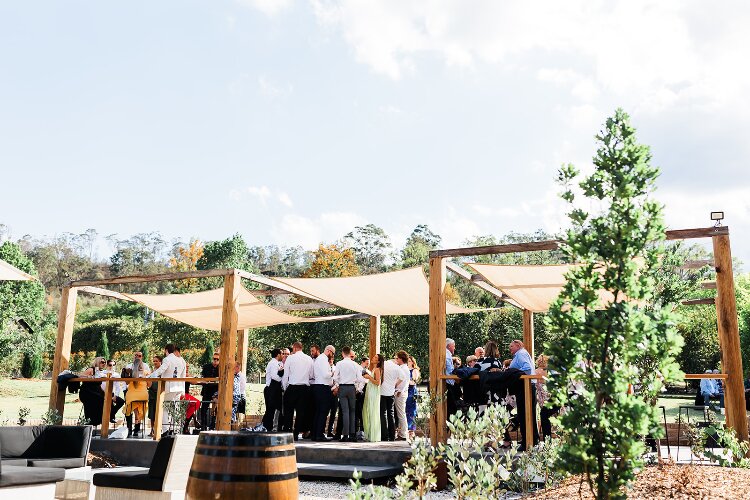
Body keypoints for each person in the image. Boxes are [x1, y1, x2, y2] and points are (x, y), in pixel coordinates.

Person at [148, 344, 184, 432]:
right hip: (178, 386)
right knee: (176, 408)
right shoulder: (181, 360)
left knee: (164, 407)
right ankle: (176, 429)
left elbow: (161, 370)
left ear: (166, 350)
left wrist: (150, 376)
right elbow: (183, 374)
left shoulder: (167, 359)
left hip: (170, 387)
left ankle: (165, 430)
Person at [282, 342, 314, 440]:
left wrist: (284, 387)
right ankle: (296, 433)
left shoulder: (290, 358)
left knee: (288, 411)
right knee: (301, 412)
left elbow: (285, 374)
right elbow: (312, 375)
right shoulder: (309, 359)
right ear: (301, 348)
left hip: (292, 387)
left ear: (294, 348)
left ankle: (288, 431)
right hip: (304, 388)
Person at [334, 346, 362, 442]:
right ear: (350, 353)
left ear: (342, 353)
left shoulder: (339, 363)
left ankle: (345, 435)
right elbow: (359, 379)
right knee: (352, 411)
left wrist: (339, 383)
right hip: (352, 388)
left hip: (342, 387)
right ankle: (352, 435)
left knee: (345, 411)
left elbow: (335, 377)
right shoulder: (355, 364)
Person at [312, 345, 335, 441]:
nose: (332, 355)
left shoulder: (319, 359)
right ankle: (319, 435)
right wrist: (333, 372)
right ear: (329, 351)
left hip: (318, 387)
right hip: (323, 388)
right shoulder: (324, 359)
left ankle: (315, 434)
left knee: (318, 412)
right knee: (323, 412)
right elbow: (326, 374)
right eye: (333, 353)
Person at [380, 354, 404, 441]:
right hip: (390, 392)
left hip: (382, 392)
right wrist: (395, 384)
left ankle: (384, 436)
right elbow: (402, 377)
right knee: (391, 414)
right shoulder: (396, 367)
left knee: (383, 414)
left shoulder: (383, 365)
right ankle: (392, 435)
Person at [124, 356, 149, 438]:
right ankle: (137, 429)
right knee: (138, 405)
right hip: (143, 395)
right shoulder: (146, 373)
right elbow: (149, 385)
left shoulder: (130, 373)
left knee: (129, 406)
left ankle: (129, 429)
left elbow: (126, 383)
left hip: (131, 395)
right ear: (142, 365)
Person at [535, 354, 559, 440]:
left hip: (542, 396)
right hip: (549, 395)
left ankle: (547, 438)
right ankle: (551, 435)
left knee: (544, 415)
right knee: (547, 415)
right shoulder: (549, 371)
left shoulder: (536, 371)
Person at [80, 357, 107, 426]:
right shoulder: (91, 369)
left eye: (105, 362)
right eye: (102, 362)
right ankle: (92, 423)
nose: (104, 364)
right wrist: (89, 377)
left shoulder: (101, 372)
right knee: (99, 401)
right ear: (97, 362)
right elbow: (81, 376)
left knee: (106, 400)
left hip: (96, 392)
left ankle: (99, 421)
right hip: (87, 392)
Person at [362, 353, 383, 442]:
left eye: (375, 357)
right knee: (368, 411)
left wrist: (369, 377)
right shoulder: (374, 368)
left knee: (372, 410)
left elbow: (378, 383)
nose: (373, 358)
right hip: (370, 390)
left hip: (373, 392)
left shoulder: (377, 369)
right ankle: (369, 433)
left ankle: (373, 435)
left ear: (378, 361)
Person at [262, 349, 284, 432]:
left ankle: (267, 427)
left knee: (272, 410)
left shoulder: (274, 363)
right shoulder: (274, 363)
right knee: (270, 410)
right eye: (282, 354)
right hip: (271, 389)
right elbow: (275, 377)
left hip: (272, 389)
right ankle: (267, 427)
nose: (283, 355)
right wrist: (282, 376)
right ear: (278, 355)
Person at [200, 352, 220, 430]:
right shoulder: (206, 367)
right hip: (207, 390)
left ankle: (213, 425)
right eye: (214, 359)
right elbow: (202, 377)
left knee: (216, 409)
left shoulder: (221, 368)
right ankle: (203, 426)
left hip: (216, 391)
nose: (215, 360)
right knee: (204, 408)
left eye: (217, 359)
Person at [393, 351, 410, 440]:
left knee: (401, 413)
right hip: (400, 392)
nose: (396, 360)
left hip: (400, 393)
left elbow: (404, 381)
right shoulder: (403, 368)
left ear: (401, 359)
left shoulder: (404, 369)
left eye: (397, 358)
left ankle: (403, 434)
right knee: (400, 413)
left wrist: (399, 391)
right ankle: (401, 432)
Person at [147, 355, 163, 436]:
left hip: (160, 394)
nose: (155, 362)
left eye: (156, 361)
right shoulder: (152, 371)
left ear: (160, 362)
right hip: (152, 394)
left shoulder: (162, 371)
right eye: (154, 361)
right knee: (152, 413)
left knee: (158, 412)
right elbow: (149, 384)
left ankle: (158, 430)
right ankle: (152, 430)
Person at [406, 356, 421, 438]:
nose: (408, 362)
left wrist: (406, 381)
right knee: (405, 410)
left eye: (409, 361)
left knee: (411, 410)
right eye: (407, 361)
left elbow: (414, 381)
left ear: (412, 362)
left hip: (411, 391)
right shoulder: (405, 370)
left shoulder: (414, 370)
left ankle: (411, 430)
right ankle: (406, 429)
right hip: (405, 390)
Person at [355, 357, 369, 440]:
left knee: (362, 412)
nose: (368, 364)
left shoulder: (367, 371)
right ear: (362, 362)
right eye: (367, 363)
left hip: (364, 393)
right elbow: (359, 381)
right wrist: (358, 390)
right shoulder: (359, 369)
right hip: (359, 393)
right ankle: (357, 431)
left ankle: (362, 430)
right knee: (358, 412)